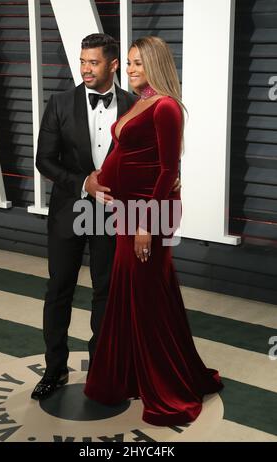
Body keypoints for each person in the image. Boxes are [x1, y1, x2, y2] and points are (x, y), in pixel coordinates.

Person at [31, 32, 181, 400]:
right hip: (70, 210)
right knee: (58, 291)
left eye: (93, 62)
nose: (85, 69)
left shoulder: (139, 105)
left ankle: (102, 370)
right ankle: (54, 370)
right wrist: (85, 183)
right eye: (82, 61)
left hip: (115, 216)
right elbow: (44, 160)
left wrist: (165, 188)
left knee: (107, 293)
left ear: (113, 65)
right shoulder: (60, 102)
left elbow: (154, 162)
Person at [84, 36, 223, 426]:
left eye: (137, 64)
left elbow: (167, 170)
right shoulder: (141, 101)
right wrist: (97, 179)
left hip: (149, 217)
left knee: (146, 299)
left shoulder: (166, 107)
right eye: (127, 63)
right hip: (129, 212)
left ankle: (168, 388)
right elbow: (127, 153)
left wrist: (147, 222)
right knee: (135, 294)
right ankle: (130, 376)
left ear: (156, 65)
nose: (129, 70)